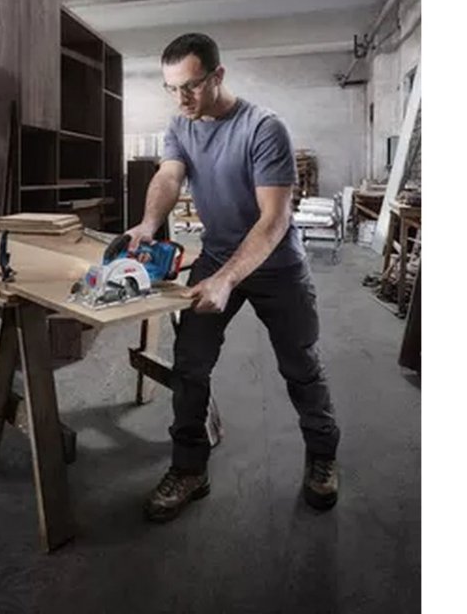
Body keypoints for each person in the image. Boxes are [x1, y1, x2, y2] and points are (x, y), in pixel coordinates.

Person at [125, 33, 341, 523]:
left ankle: (323, 456)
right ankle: (189, 469)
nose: (181, 99)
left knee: (301, 365)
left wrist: (226, 280)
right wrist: (148, 224)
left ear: (218, 75)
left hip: (278, 266)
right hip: (218, 255)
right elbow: (169, 176)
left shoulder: (263, 128)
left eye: (191, 86)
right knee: (190, 365)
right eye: (171, 88)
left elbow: (274, 219)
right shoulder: (181, 124)